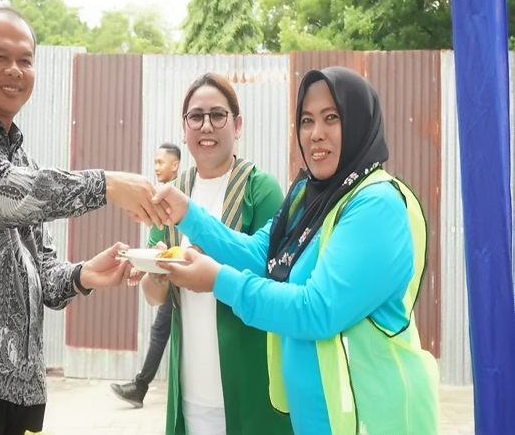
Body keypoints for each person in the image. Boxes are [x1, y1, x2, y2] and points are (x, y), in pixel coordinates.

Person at [0, 7, 167, 435]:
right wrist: (106, 184)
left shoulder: (22, 158)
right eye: (0, 57)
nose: (15, 70)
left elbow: (45, 273)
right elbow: (1, 193)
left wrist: (85, 274)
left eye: (26, 60)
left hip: (27, 389)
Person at [154, 67, 440, 434]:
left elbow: (316, 310)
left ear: (358, 123)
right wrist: (188, 214)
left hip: (373, 418)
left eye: (331, 118)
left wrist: (217, 281)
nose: (315, 133)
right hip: (320, 420)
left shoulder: (376, 204)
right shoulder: (309, 196)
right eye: (306, 120)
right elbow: (261, 257)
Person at [140, 73, 293, 435]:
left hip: (252, 384)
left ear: (237, 125)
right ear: (184, 128)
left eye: (218, 115)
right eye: (196, 116)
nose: (206, 126)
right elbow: (154, 294)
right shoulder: (171, 192)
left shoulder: (260, 187)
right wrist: (155, 271)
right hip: (191, 388)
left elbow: (274, 274)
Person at [110, 142, 180, 408]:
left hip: (180, 277)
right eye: (154, 162)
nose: (155, 167)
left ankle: (140, 387)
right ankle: (140, 387)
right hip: (165, 276)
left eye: (160, 162)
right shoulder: (158, 196)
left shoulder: (180, 197)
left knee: (162, 330)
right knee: (161, 329)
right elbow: (155, 243)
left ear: (175, 165)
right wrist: (143, 265)